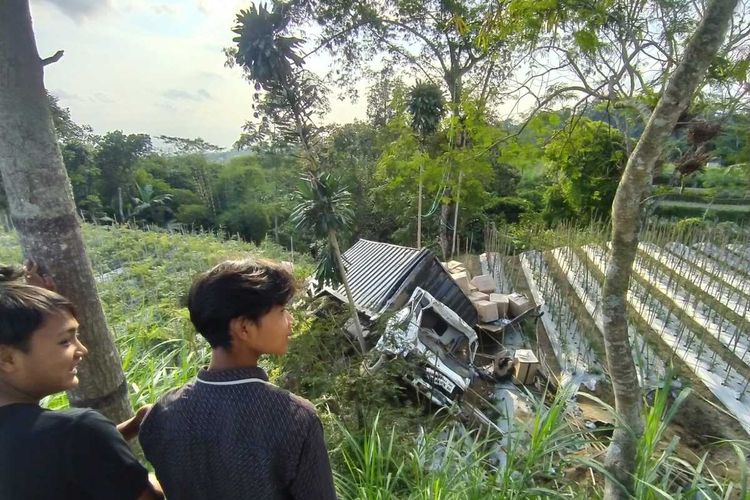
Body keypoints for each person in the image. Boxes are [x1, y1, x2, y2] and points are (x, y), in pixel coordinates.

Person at [139, 259, 337, 500]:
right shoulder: (295, 418)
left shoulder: (162, 413)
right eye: (282, 311)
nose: (290, 321)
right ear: (244, 328)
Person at [0, 265, 162, 499]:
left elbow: (42, 456)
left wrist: (131, 427)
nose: (81, 349)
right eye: (65, 341)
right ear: (7, 358)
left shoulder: (66, 437)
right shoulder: (80, 430)